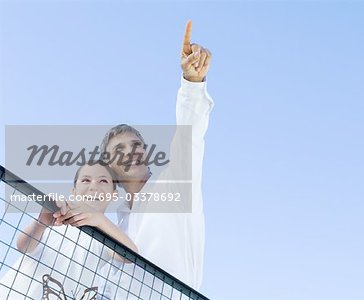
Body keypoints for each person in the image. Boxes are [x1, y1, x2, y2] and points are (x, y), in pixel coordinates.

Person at [100, 20, 213, 293]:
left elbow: (189, 136)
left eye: (136, 145)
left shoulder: (175, 185)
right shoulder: (118, 225)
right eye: (120, 151)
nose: (132, 152)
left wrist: (192, 84)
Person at [0, 162, 138, 299]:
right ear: (74, 191)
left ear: (114, 195)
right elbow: (23, 246)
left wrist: (100, 219)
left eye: (103, 180)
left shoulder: (107, 234)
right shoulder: (58, 215)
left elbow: (130, 255)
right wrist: (41, 224)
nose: (93, 186)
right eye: (86, 180)